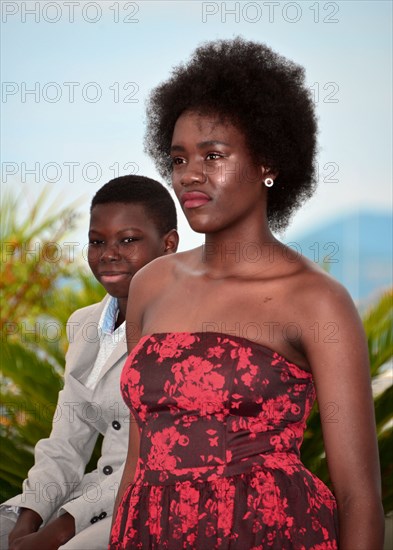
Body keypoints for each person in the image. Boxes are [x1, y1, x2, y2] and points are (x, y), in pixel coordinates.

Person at [109, 38, 384, 549]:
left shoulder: (315, 300)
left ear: (269, 162)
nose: (190, 174)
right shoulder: (150, 285)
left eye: (214, 155)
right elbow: (138, 454)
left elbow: (358, 497)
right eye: (178, 158)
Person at [1, 175, 179, 550]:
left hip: (151, 505)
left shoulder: (182, 331)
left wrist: (59, 530)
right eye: (97, 241)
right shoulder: (83, 325)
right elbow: (67, 441)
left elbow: (151, 458)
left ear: (169, 245)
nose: (108, 253)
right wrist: (26, 520)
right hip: (87, 498)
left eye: (128, 240)